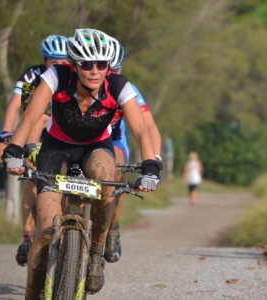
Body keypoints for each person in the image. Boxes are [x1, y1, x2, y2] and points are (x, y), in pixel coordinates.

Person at [2, 28, 160, 299]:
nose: (95, 71)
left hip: (96, 146)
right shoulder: (56, 76)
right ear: (74, 65)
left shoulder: (119, 85)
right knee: (46, 230)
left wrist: (151, 167)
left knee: (105, 177)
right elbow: (30, 115)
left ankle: (97, 252)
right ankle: (31, 294)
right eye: (87, 65)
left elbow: (142, 130)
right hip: (56, 148)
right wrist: (14, 150)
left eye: (101, 65)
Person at [0, 35, 69, 266]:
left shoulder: (76, 77)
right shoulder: (33, 76)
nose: (61, 66)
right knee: (34, 180)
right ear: (45, 61)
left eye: (65, 62)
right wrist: (6, 134)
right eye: (55, 63)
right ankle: (27, 238)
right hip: (36, 131)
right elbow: (16, 104)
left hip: (63, 132)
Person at [104, 38, 162, 263]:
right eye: (103, 67)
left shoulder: (127, 89)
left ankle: (113, 229)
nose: (107, 74)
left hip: (113, 140)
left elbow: (147, 126)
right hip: (79, 141)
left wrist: (153, 161)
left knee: (116, 175)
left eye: (114, 69)